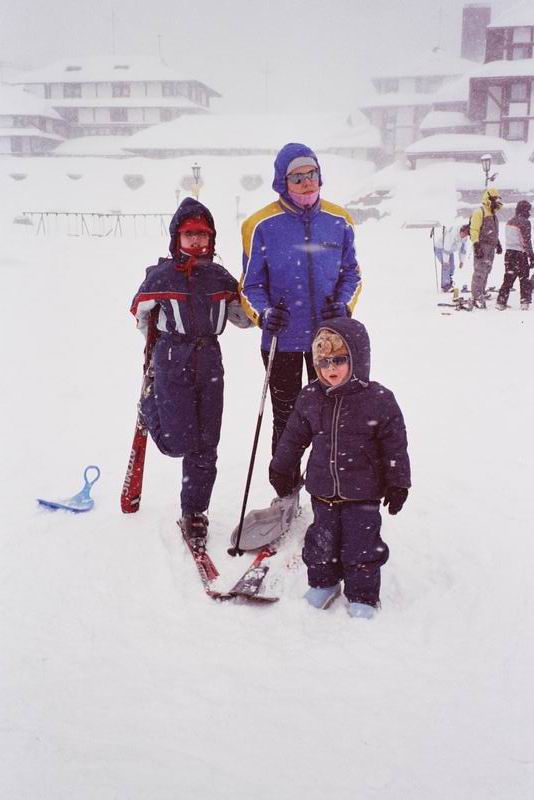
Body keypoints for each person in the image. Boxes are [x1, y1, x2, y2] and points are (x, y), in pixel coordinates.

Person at [268, 318, 411, 619]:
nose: (329, 369)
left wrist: (398, 482)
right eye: (322, 362)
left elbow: (394, 445)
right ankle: (324, 583)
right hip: (322, 488)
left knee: (362, 546)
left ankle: (362, 596)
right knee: (321, 542)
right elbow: (293, 437)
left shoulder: (379, 400)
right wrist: (281, 467)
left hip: (363, 492)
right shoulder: (311, 397)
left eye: (339, 360)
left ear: (357, 358)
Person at [130, 197, 250, 544]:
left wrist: (263, 311)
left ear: (211, 238)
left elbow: (242, 317)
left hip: (210, 357)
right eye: (189, 234)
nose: (197, 240)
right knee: (177, 442)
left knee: (207, 443)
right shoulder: (161, 276)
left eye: (203, 234)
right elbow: (140, 313)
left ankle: (194, 512)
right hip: (173, 358)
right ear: (177, 238)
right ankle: (148, 406)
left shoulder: (220, 277)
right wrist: (160, 349)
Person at [240, 142, 361, 486]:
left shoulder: (339, 220)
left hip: (330, 340)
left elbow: (352, 274)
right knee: (288, 419)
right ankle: (286, 487)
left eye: (313, 174)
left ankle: (327, 485)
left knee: (333, 415)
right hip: (283, 341)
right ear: (282, 182)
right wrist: (264, 314)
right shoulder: (260, 225)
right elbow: (249, 285)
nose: (307, 182)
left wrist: (344, 306)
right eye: (297, 177)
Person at [496, 200, 534, 311]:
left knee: (508, 277)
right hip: (520, 253)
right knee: (524, 278)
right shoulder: (525, 222)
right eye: (528, 210)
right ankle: (524, 302)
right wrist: (531, 256)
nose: (529, 212)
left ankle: (501, 302)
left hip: (509, 253)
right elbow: (526, 241)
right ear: (524, 210)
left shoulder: (509, 221)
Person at [469, 187, 503, 308]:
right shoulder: (480, 212)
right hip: (482, 246)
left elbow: (493, 231)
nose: (496, 201)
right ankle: (476, 296)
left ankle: (481, 291)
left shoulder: (493, 214)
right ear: (488, 198)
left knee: (487, 270)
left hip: (491, 247)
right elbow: (474, 229)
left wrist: (497, 243)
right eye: (494, 199)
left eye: (497, 199)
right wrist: (476, 244)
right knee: (479, 271)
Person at [432, 221, 470, 292]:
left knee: (452, 267)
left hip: (450, 250)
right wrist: (445, 261)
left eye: (466, 235)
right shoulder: (452, 234)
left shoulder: (465, 236)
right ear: (461, 231)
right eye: (464, 234)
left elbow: (463, 249)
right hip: (440, 248)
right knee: (446, 266)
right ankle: (445, 285)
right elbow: (446, 248)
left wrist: (461, 261)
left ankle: (448, 281)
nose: (464, 236)